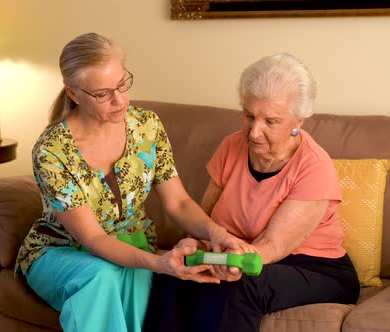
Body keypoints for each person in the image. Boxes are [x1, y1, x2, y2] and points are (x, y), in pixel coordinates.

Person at [14, 32, 254, 332]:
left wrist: (216, 233)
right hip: (62, 254)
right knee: (101, 276)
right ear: (73, 94)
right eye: (103, 94)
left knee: (135, 278)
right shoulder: (52, 150)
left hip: (132, 246)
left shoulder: (147, 126)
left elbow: (178, 203)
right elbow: (94, 240)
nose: (120, 100)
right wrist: (158, 263)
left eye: (122, 84)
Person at [143, 53, 360, 332]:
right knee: (173, 274)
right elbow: (205, 221)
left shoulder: (314, 166)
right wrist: (194, 247)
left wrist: (224, 261)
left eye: (270, 121)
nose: (254, 132)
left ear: (298, 121)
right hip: (239, 255)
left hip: (314, 269)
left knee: (236, 284)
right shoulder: (231, 146)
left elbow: (272, 246)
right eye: (249, 116)